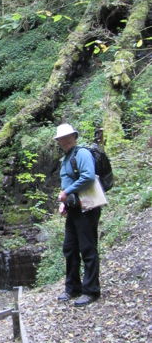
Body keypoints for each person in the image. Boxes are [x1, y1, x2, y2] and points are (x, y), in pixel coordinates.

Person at [55, 123, 101, 307]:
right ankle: (72, 287)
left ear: (74, 137)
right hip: (74, 207)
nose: (64, 141)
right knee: (70, 247)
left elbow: (88, 176)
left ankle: (91, 291)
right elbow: (67, 183)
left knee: (87, 248)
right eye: (61, 139)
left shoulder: (82, 153)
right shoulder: (66, 158)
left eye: (67, 137)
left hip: (87, 206)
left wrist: (67, 193)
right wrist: (63, 202)